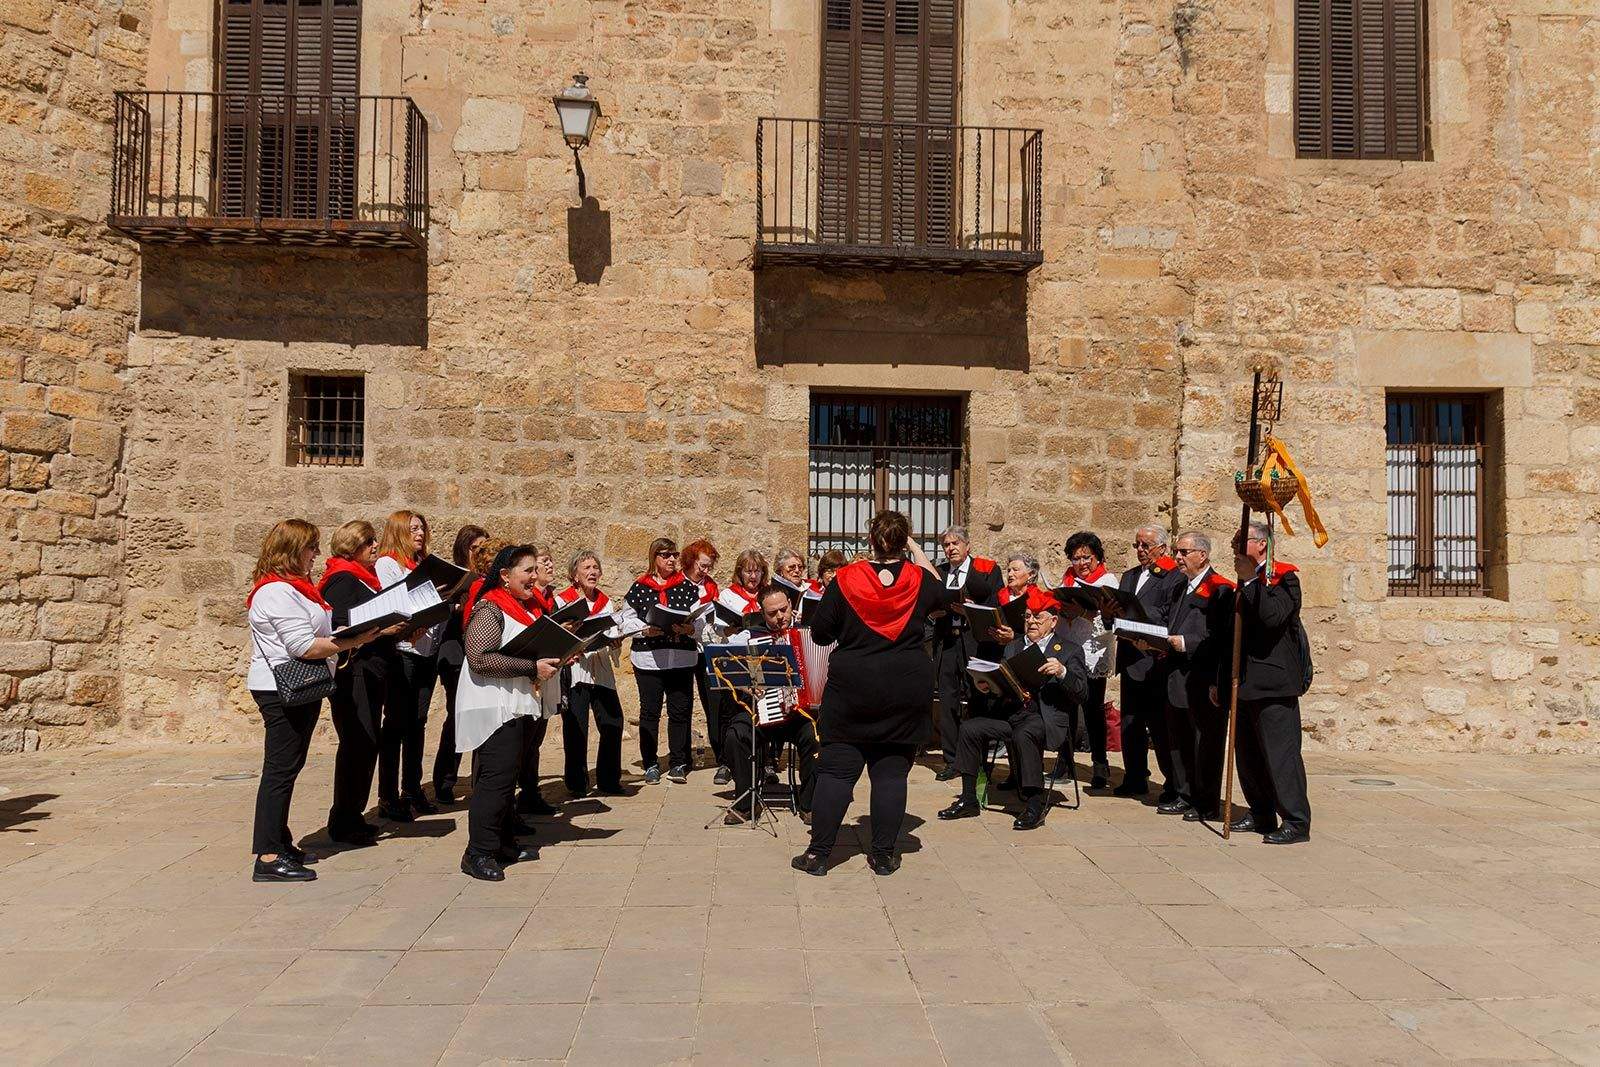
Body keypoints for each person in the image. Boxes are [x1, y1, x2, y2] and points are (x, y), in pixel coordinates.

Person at [792, 511, 960, 877]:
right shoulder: (920, 580)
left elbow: (820, 634)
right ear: (906, 541)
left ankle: (820, 854)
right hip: (905, 685)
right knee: (890, 775)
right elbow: (942, 594)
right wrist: (915, 551)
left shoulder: (846, 579)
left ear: (870, 539)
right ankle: (883, 855)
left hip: (853, 687)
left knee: (836, 772)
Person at [246, 519, 385, 882]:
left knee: (289, 768)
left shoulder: (297, 588)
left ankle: (280, 840)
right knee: (279, 771)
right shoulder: (276, 592)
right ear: (292, 550)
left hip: (298, 687)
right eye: (311, 547)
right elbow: (303, 645)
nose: (316, 555)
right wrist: (353, 641)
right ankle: (267, 854)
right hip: (281, 690)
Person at [936, 588, 1088, 830]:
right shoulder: (1014, 647)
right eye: (1028, 617)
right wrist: (988, 685)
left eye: (1038, 617)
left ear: (1053, 621)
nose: (1032, 622)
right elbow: (1005, 686)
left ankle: (1035, 803)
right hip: (1013, 715)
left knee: (1025, 733)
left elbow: (1082, 693)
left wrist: (1062, 672)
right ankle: (968, 799)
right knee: (970, 728)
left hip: (1045, 718)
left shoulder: (1069, 650)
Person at [456, 545, 564, 881]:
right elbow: (480, 658)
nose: (535, 577)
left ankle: (502, 843)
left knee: (509, 778)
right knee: (495, 779)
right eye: (528, 571)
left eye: (535, 570)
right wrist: (532, 666)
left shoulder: (525, 608)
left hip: (519, 701)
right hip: (495, 705)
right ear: (505, 575)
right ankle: (478, 853)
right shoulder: (490, 607)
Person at [1222, 521, 1312, 844]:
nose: (1234, 547)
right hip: (1244, 683)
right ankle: (1261, 812)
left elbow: (1272, 618)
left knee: (1281, 756)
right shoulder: (1244, 582)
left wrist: (1250, 580)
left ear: (1261, 544)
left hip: (1275, 684)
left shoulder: (1284, 579)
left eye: (1241, 541)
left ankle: (1296, 820)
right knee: (1248, 756)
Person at [318, 520, 405, 845]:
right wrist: (384, 630)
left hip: (372, 670)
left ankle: (351, 815)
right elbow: (342, 624)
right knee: (358, 742)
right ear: (352, 545)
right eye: (368, 541)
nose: (375, 546)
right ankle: (343, 820)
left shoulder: (364, 579)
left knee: (367, 742)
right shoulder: (342, 579)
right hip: (354, 672)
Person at [1165, 531, 1248, 830]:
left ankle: (1208, 801)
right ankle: (1185, 793)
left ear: (1202, 554)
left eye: (1184, 552)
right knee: (1181, 741)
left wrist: (1185, 643)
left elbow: (1221, 639)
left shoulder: (1220, 589)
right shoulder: (1180, 587)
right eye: (1177, 551)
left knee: (1206, 744)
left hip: (1205, 678)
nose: (1178, 558)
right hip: (1178, 676)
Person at [717, 585, 820, 824]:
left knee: (816, 736)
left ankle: (810, 804)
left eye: (783, 610)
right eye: (772, 613)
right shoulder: (749, 636)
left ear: (791, 607)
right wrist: (745, 685)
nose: (779, 617)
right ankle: (745, 803)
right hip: (762, 711)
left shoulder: (809, 635)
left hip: (798, 713)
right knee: (735, 734)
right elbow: (725, 668)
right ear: (762, 614)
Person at [374, 510, 444, 822]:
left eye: (422, 528)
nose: (420, 534)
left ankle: (412, 788)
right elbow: (396, 603)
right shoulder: (388, 563)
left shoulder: (422, 565)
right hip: (403, 651)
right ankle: (388, 795)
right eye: (413, 529)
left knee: (417, 724)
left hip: (427, 650)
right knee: (396, 725)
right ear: (399, 531)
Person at [1110, 523, 1185, 801]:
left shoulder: (1173, 577)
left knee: (1159, 726)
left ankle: (1173, 784)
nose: (1140, 550)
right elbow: (1118, 611)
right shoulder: (1129, 576)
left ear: (1162, 548)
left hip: (1155, 660)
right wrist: (1111, 612)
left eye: (1146, 546)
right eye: (1137, 545)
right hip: (1131, 657)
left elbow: (1169, 612)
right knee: (1130, 723)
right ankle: (1135, 777)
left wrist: (1137, 613)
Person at [620, 537, 702, 784]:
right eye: (665, 555)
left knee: (680, 711)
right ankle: (651, 764)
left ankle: (678, 762)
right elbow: (625, 619)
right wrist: (644, 629)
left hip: (680, 658)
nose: (671, 559)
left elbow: (700, 620)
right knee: (650, 712)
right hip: (649, 659)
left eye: (674, 555)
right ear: (654, 557)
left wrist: (689, 629)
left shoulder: (688, 587)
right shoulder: (639, 587)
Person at [929, 526, 1003, 780]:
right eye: (946, 545)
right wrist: (932, 613)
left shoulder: (987, 570)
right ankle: (952, 760)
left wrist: (974, 610)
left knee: (977, 698)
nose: (950, 549)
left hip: (975, 644)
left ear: (967, 546)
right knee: (948, 701)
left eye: (955, 543)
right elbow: (926, 603)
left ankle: (978, 759)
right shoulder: (939, 573)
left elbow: (997, 604)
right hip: (947, 642)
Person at [555, 549, 626, 797]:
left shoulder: (605, 602)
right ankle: (576, 783)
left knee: (612, 722)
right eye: (586, 568)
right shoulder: (563, 600)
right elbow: (556, 635)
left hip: (601, 668)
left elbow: (610, 630)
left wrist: (616, 641)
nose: (592, 572)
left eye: (595, 568)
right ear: (574, 575)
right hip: (576, 669)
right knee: (576, 727)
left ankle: (608, 779)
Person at [1056, 531, 1120, 788]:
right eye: (1075, 558)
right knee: (1066, 708)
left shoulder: (1108, 581)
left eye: (1086, 558)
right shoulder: (1068, 579)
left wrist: (1082, 611)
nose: (1081, 563)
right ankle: (1065, 762)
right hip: (1069, 650)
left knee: (1093, 710)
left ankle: (1100, 764)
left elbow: (1109, 624)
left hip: (1094, 654)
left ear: (1097, 557)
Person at [432, 524, 488, 806]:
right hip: (454, 651)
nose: (480, 553)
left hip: (478, 651)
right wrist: (455, 604)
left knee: (481, 715)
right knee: (457, 715)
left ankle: (481, 780)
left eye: (484, 548)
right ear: (465, 549)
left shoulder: (487, 577)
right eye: (476, 548)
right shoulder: (454, 575)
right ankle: (445, 780)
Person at [514, 545, 564, 817]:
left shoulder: (548, 599)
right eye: (540, 563)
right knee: (524, 742)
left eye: (547, 561)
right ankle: (521, 796)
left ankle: (530, 793)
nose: (548, 566)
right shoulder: (529, 600)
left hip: (546, 675)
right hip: (528, 677)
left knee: (535, 741)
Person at [680, 540, 727, 783]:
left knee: (714, 703)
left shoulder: (711, 587)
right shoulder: (677, 584)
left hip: (708, 649)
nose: (706, 571)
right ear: (690, 561)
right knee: (682, 702)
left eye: (709, 566)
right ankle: (682, 758)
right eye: (702, 565)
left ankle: (722, 754)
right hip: (684, 648)